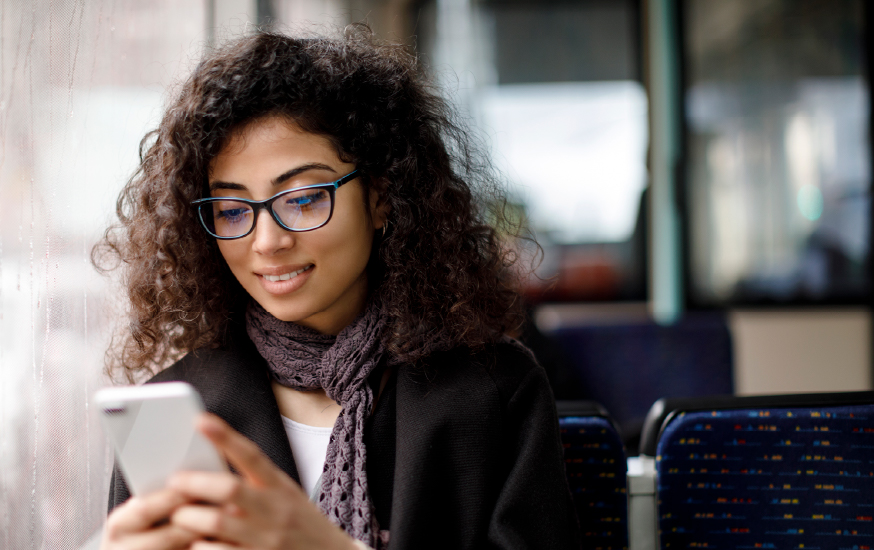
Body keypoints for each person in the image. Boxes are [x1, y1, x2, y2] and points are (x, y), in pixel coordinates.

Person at [94, 25, 579, 550]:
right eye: (232, 210)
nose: (267, 241)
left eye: (303, 199)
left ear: (380, 199)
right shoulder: (173, 413)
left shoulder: (493, 391)